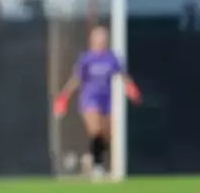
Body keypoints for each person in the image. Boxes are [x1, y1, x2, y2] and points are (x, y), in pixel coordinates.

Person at [53, 25, 142, 179]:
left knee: (107, 134)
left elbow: (122, 75)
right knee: (96, 129)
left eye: (104, 37)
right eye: (98, 38)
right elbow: (76, 79)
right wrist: (64, 96)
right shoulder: (86, 59)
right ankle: (97, 165)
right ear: (92, 40)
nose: (101, 41)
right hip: (89, 99)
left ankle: (92, 159)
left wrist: (131, 88)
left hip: (106, 100)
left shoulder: (112, 58)